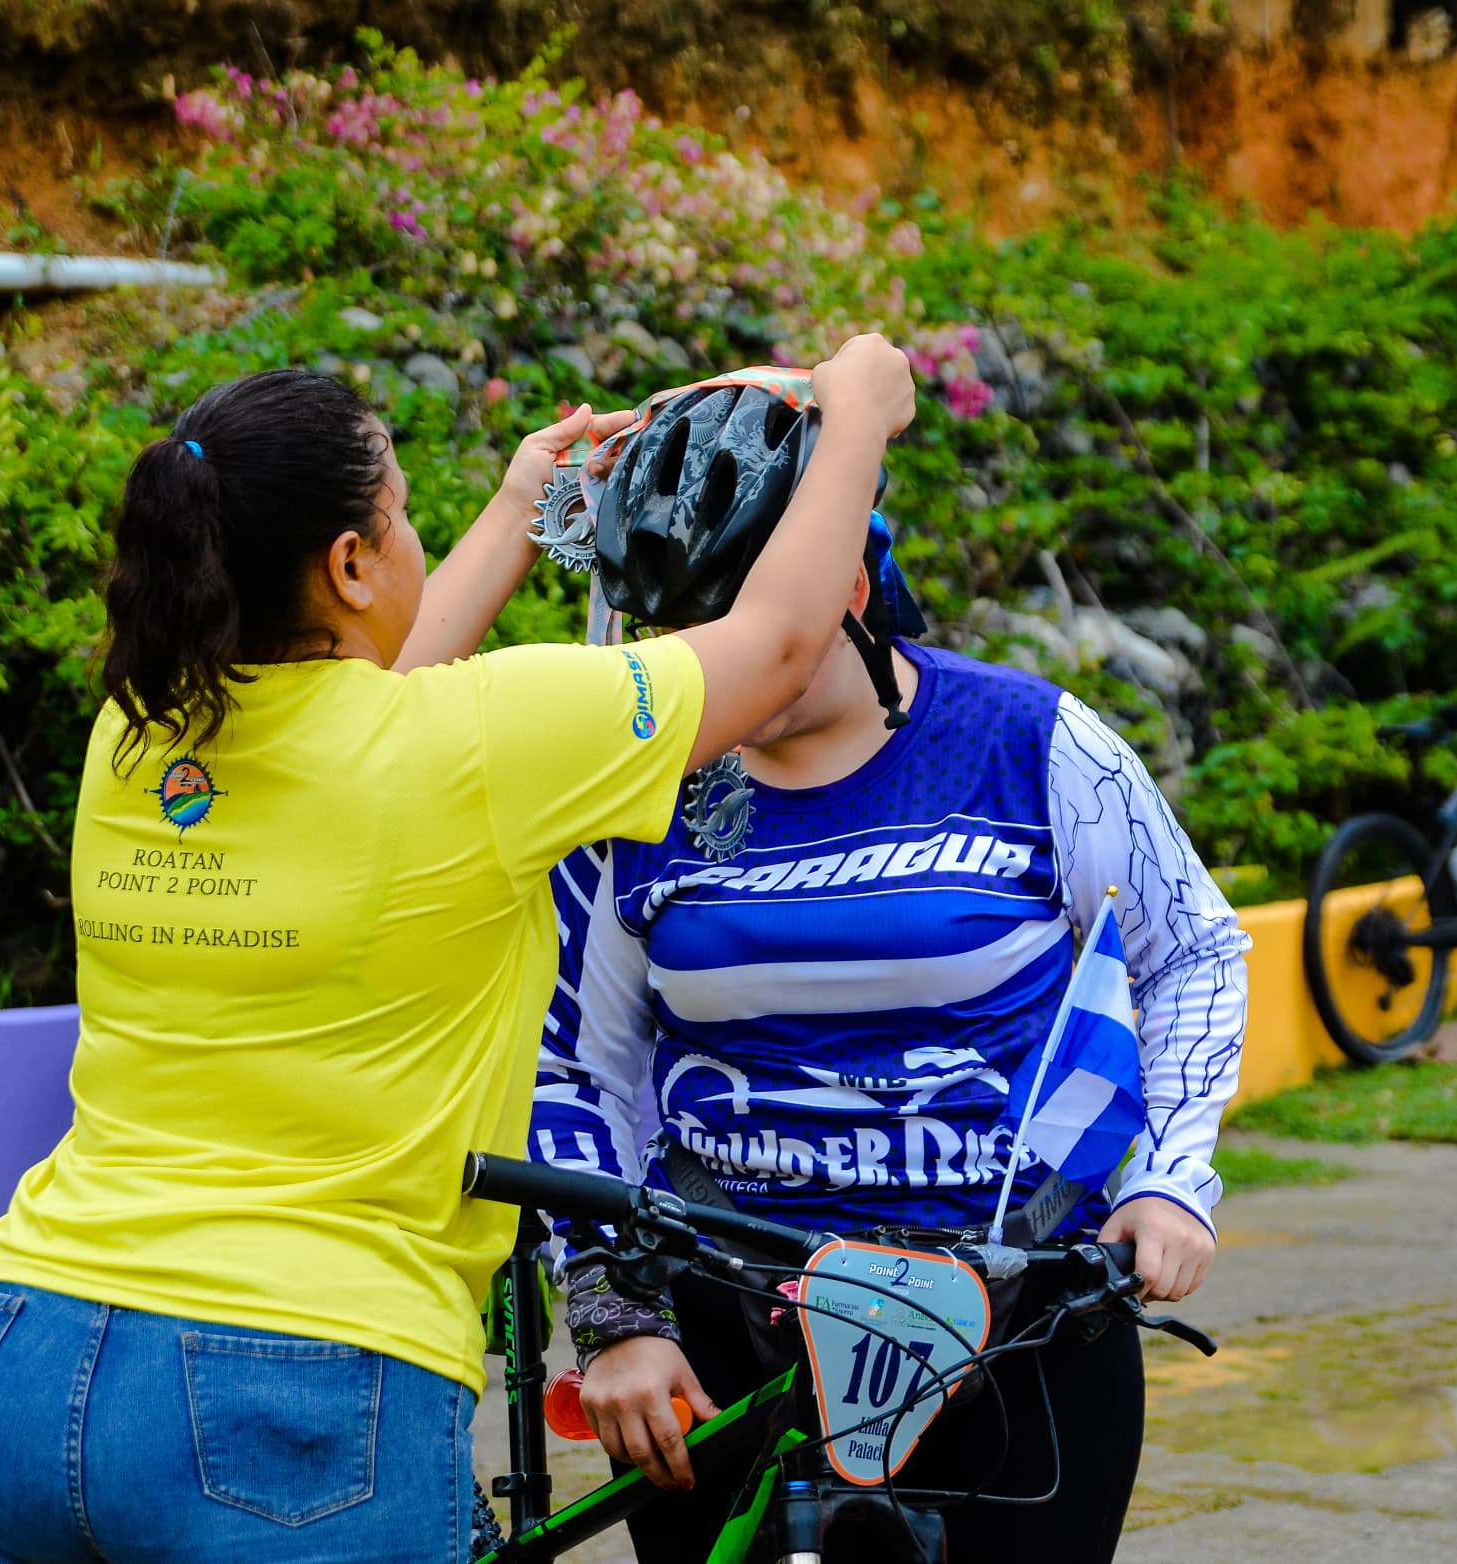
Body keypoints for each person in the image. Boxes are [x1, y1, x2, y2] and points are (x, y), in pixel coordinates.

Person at [0, 339, 920, 1564]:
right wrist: (860, 416)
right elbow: (774, 642)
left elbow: (368, 684)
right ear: (346, 565)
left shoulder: (134, 739)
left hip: (20, 1357)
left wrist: (518, 508)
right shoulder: (480, 744)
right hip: (291, 1377)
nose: (409, 545)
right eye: (397, 520)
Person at [527, 408, 1250, 1560]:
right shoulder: (635, 778)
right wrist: (617, 1320)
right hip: (723, 1335)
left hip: (1020, 1311)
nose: (704, 663)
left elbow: (1193, 953)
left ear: (850, 584)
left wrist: (1169, 1180)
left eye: (743, 615)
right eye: (677, 627)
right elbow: (572, 1062)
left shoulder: (1035, 740)